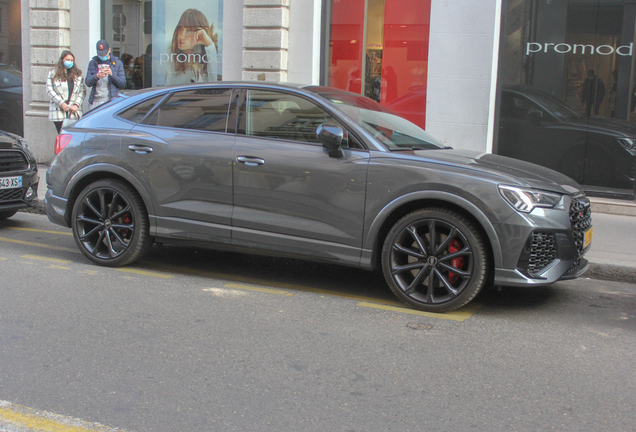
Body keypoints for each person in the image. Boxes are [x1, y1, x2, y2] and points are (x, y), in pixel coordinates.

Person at [165, 9, 218, 85]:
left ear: (199, 34)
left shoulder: (204, 62)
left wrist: (209, 44)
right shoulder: (170, 52)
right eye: (181, 28)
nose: (182, 36)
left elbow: (213, 83)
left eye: (189, 31)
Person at [45, 50, 86, 134]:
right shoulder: (53, 74)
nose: (69, 62)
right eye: (67, 59)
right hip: (59, 110)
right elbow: (49, 90)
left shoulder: (77, 74)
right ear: (62, 60)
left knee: (73, 136)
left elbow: (82, 91)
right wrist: (61, 103)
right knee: (61, 136)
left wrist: (76, 104)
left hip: (73, 111)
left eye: (71, 60)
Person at [85, 40, 126, 110]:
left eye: (104, 53)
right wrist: (97, 76)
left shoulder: (117, 63)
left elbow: (122, 83)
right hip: (95, 100)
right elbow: (88, 83)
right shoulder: (93, 63)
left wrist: (111, 75)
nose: (102, 56)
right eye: (100, 54)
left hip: (111, 100)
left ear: (109, 50)